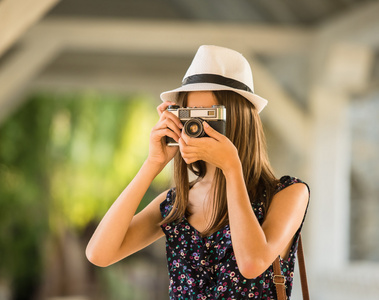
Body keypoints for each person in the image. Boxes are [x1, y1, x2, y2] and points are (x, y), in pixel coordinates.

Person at [86, 45, 310, 299]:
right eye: (190, 115)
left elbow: (252, 264)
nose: (197, 125)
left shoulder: (289, 193)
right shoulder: (177, 203)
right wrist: (152, 164)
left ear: (239, 118)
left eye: (208, 115)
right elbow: (98, 254)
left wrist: (231, 168)